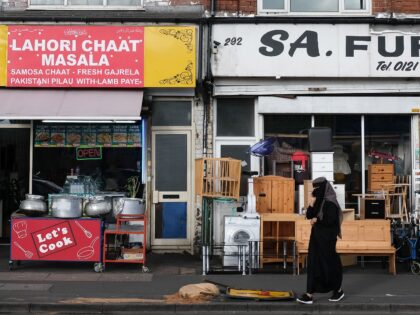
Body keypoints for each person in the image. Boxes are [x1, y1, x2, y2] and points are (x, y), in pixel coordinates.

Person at [296, 177, 344, 304]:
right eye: (314, 187)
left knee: (329, 264)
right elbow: (309, 215)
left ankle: (338, 290)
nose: (316, 190)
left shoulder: (331, 202)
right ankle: (309, 294)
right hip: (317, 238)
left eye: (318, 187)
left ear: (324, 187)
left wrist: (317, 220)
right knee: (313, 264)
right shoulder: (319, 201)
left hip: (327, 240)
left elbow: (330, 221)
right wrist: (311, 204)